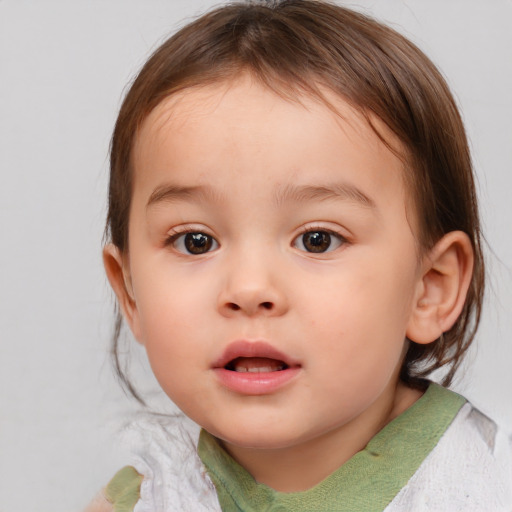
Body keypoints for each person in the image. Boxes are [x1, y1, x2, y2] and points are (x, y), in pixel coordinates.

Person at [86, 1, 512, 510]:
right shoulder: (147, 498)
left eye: (317, 240)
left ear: (430, 287)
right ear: (129, 291)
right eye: (195, 240)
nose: (249, 289)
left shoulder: (481, 484)